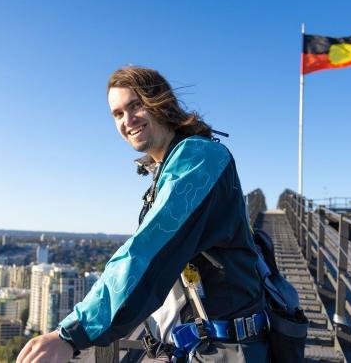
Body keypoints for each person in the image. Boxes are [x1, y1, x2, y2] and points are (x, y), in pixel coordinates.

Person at [16, 66, 268, 363]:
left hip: (226, 349)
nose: (127, 120)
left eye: (135, 105)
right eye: (117, 114)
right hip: (200, 344)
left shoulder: (199, 160)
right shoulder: (170, 166)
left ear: (159, 101)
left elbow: (146, 252)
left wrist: (71, 334)